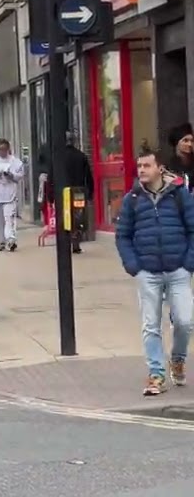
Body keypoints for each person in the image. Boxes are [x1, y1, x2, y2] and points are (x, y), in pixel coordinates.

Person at [115, 148, 194, 396]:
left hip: (178, 270)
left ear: (160, 168)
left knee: (185, 321)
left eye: (146, 165)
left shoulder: (179, 195)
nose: (141, 170)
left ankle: (178, 359)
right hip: (147, 272)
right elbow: (123, 235)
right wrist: (134, 266)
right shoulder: (133, 199)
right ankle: (157, 374)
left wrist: (188, 263)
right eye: (139, 166)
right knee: (151, 325)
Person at [36, 132, 94, 253]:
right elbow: (88, 176)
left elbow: (51, 177)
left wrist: (50, 196)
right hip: (78, 190)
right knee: (78, 216)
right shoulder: (81, 156)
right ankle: (76, 242)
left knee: (63, 217)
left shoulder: (57, 157)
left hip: (62, 191)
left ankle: (65, 243)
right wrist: (90, 193)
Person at [167, 123, 194, 190]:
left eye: (192, 141)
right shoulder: (169, 166)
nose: (190, 144)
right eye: (185, 140)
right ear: (177, 143)